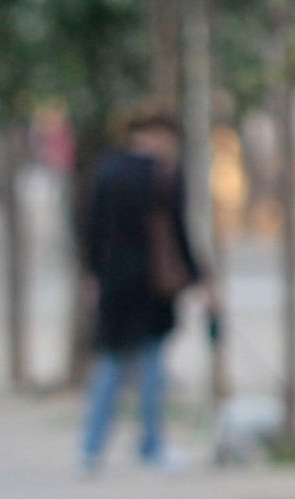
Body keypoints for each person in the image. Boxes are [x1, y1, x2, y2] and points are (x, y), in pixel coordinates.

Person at [79, 107, 214, 475]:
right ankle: (151, 444)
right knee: (152, 364)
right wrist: (201, 279)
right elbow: (178, 232)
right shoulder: (165, 174)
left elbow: (91, 229)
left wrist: (93, 275)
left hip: (113, 282)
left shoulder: (107, 171)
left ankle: (90, 450)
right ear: (159, 134)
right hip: (154, 283)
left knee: (109, 363)